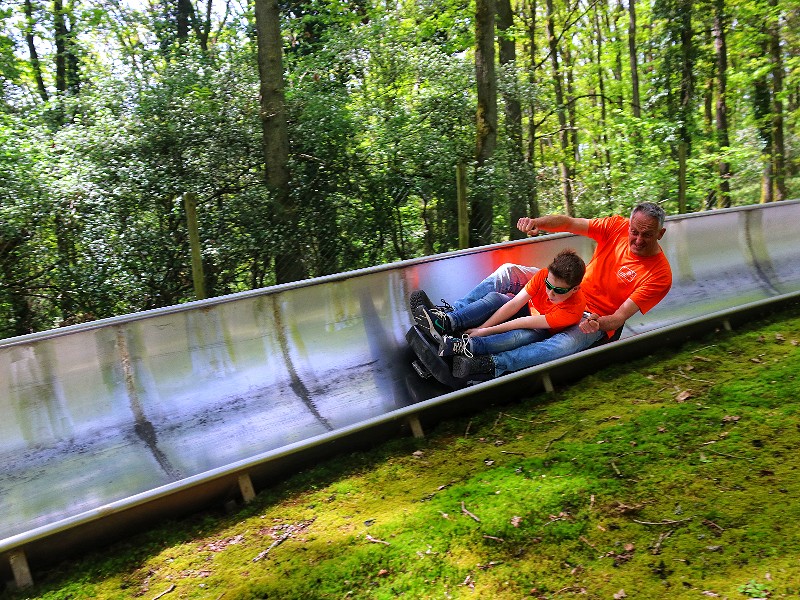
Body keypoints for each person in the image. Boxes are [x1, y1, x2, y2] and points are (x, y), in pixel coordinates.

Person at [409, 201, 672, 380]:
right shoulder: (615, 227)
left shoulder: (659, 275)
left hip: (591, 316)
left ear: (659, 234)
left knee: (563, 344)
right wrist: (537, 222)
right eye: (634, 232)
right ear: (628, 224)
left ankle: (492, 365)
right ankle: (447, 317)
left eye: (646, 235)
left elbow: (620, 317)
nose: (636, 240)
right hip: (571, 287)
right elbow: (569, 223)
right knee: (509, 270)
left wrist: (598, 323)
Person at [413, 249, 586, 360]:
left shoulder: (573, 310)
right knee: (496, 298)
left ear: (574, 289)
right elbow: (515, 304)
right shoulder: (542, 275)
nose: (550, 293)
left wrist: (484, 332)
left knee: (523, 336)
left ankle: (467, 346)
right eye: (548, 285)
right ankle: (447, 321)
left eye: (559, 291)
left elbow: (523, 323)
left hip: (541, 329)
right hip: (526, 311)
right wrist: (482, 327)